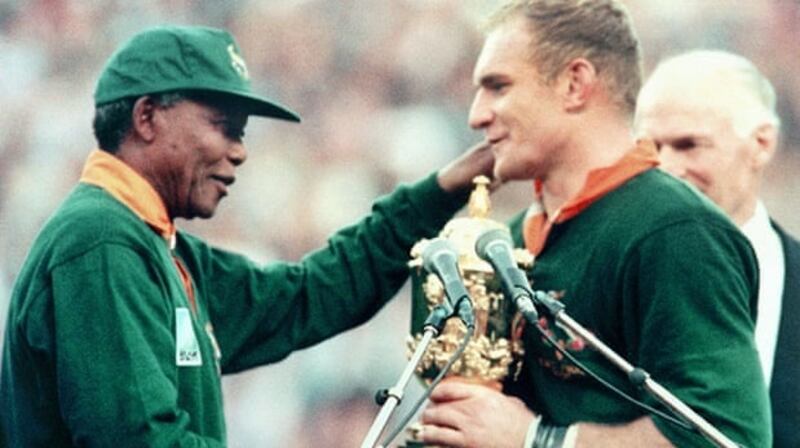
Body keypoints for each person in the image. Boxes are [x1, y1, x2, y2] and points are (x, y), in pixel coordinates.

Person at [0, 25, 494, 447]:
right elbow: (145, 441)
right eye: (224, 126)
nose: (239, 152)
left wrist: (441, 190)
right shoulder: (102, 241)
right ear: (146, 117)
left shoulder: (157, 245)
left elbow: (306, 296)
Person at [417, 1, 770, 447]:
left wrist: (536, 440)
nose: (476, 115)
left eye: (498, 86)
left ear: (575, 84)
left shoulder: (675, 232)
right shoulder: (505, 242)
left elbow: (729, 438)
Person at [635, 49, 800, 448]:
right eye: (650, 147)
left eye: (689, 145)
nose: (667, 168)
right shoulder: (606, 274)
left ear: (761, 144)